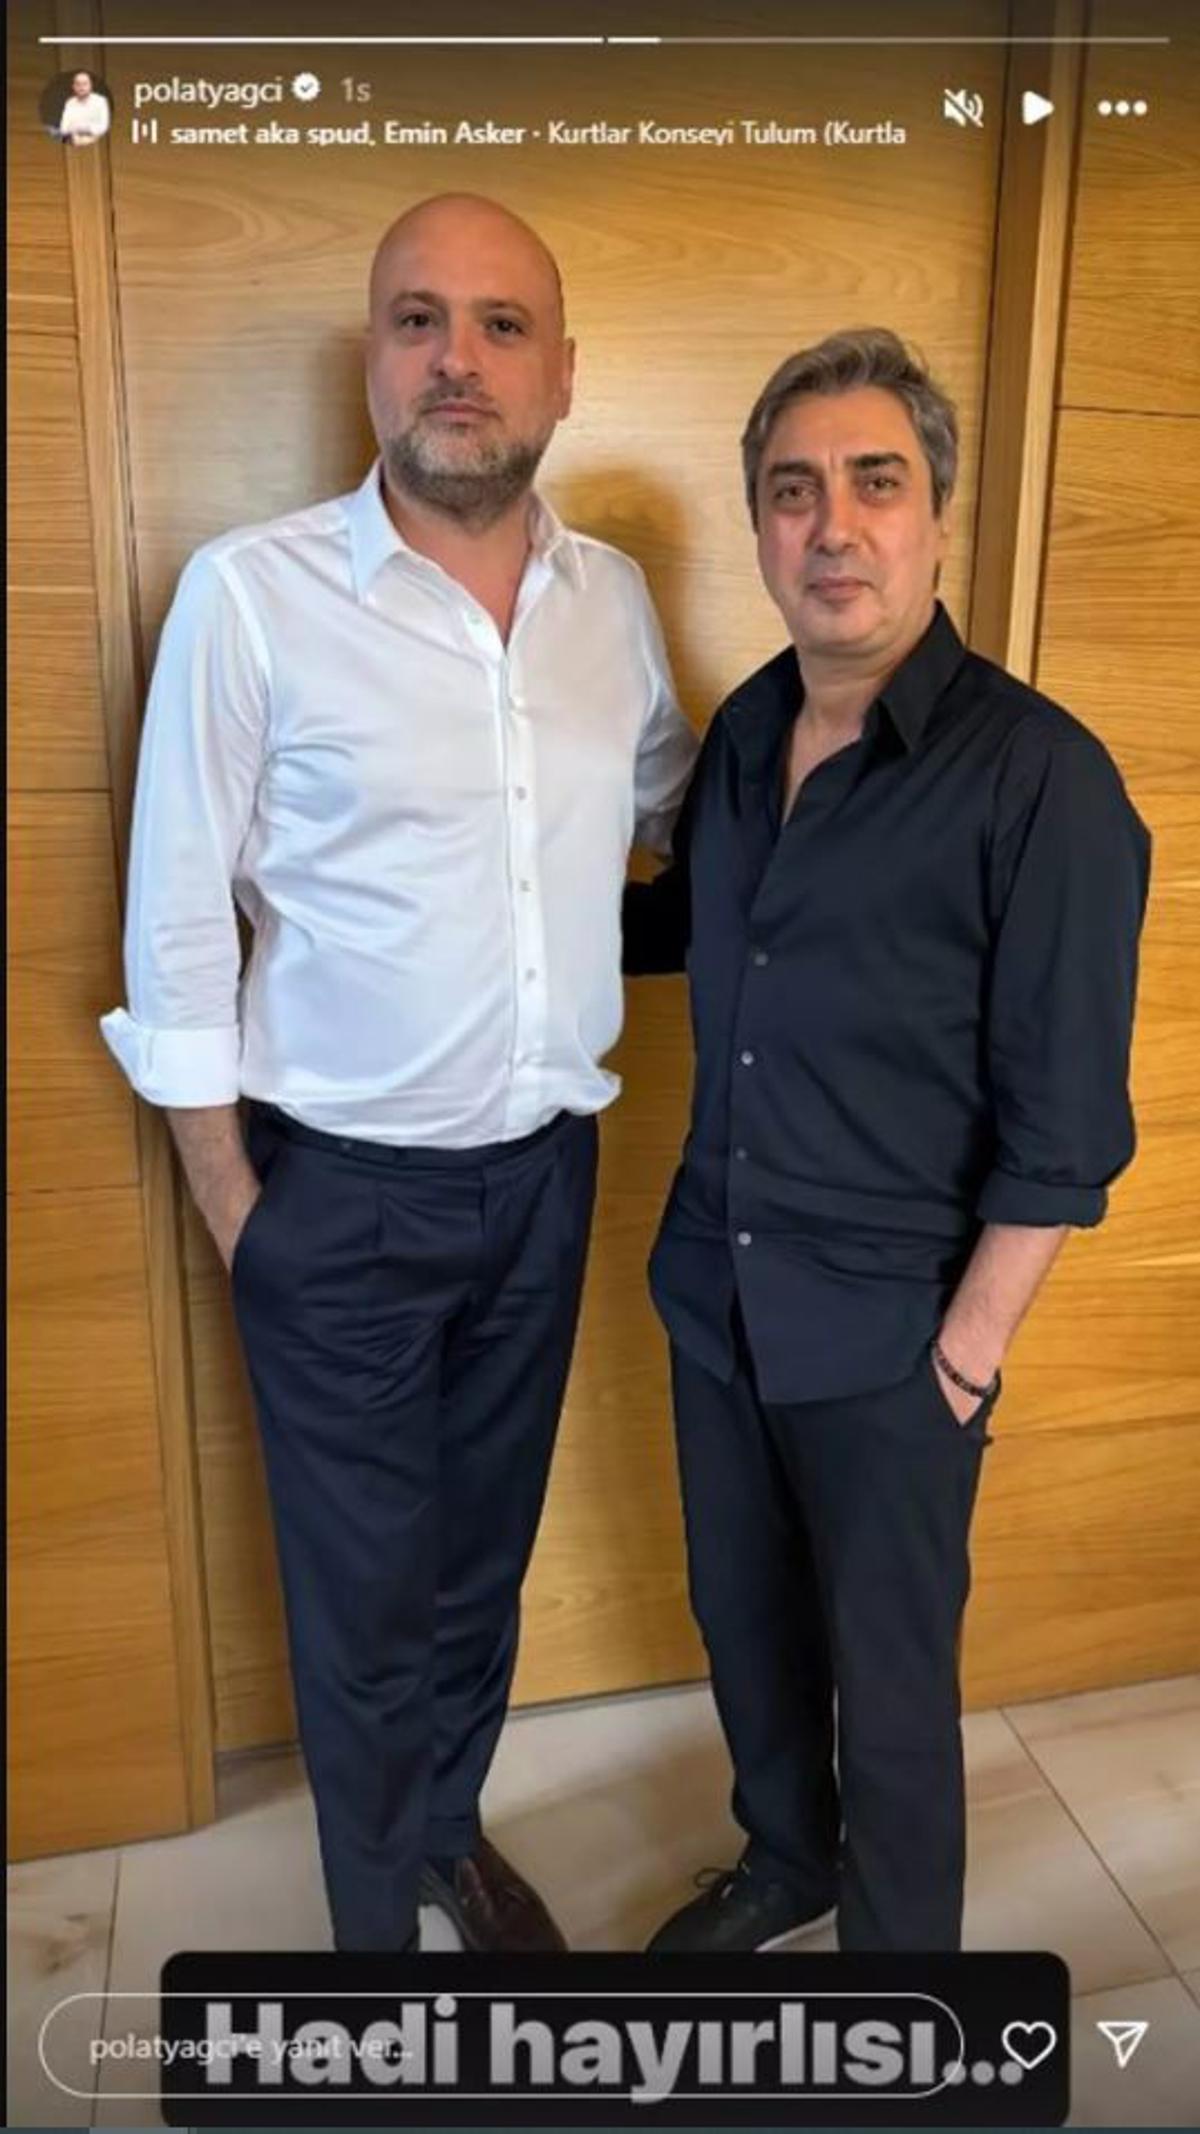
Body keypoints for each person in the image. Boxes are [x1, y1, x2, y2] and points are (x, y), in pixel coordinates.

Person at [101, 192, 696, 1955]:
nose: (458, 359)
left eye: (503, 324)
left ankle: (447, 1836)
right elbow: (173, 917)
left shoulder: (612, 603)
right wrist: (239, 1207)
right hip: (334, 1197)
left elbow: (676, 811)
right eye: (418, 319)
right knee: (361, 1607)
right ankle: (376, 1952)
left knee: (477, 1567)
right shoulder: (253, 596)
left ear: (563, 373)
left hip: (546, 1177)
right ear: (373, 358)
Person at [625, 327, 1149, 1954]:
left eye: (875, 482)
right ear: (761, 526)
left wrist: (963, 1356)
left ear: (936, 515)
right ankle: (786, 1857)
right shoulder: (742, 736)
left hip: (893, 1335)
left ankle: (901, 1985)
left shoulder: (1044, 781)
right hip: (717, 1294)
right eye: (794, 491)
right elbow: (681, 931)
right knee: (745, 1622)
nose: (833, 525)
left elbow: (1066, 1130)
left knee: (894, 1679)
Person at [58, 70, 110, 145]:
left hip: (93, 139)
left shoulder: (100, 101)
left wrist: (81, 128)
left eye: (84, 84)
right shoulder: (70, 102)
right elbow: (64, 127)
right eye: (78, 84)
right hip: (73, 138)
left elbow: (103, 127)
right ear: (73, 87)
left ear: (90, 86)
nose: (81, 87)